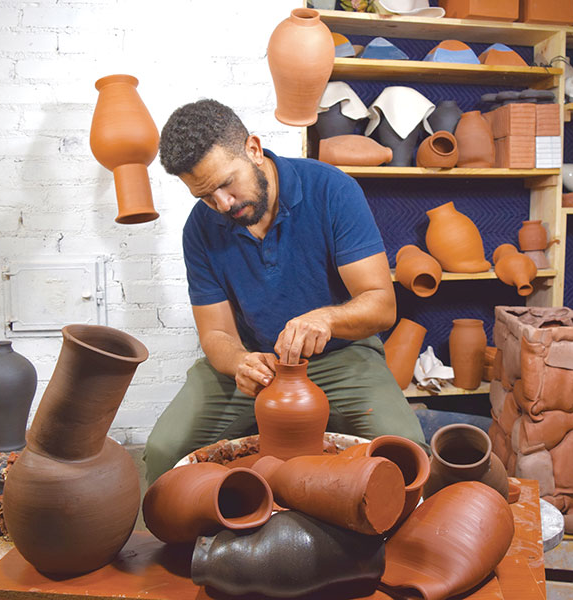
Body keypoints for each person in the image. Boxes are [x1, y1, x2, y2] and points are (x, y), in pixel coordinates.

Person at [143, 99, 426, 484]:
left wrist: (327, 317)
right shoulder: (200, 228)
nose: (222, 205)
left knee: (405, 451)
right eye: (206, 197)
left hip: (340, 356)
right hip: (256, 363)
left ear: (254, 150)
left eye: (227, 184)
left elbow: (381, 305)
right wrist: (240, 361)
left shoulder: (332, 190)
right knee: (164, 452)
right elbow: (216, 333)